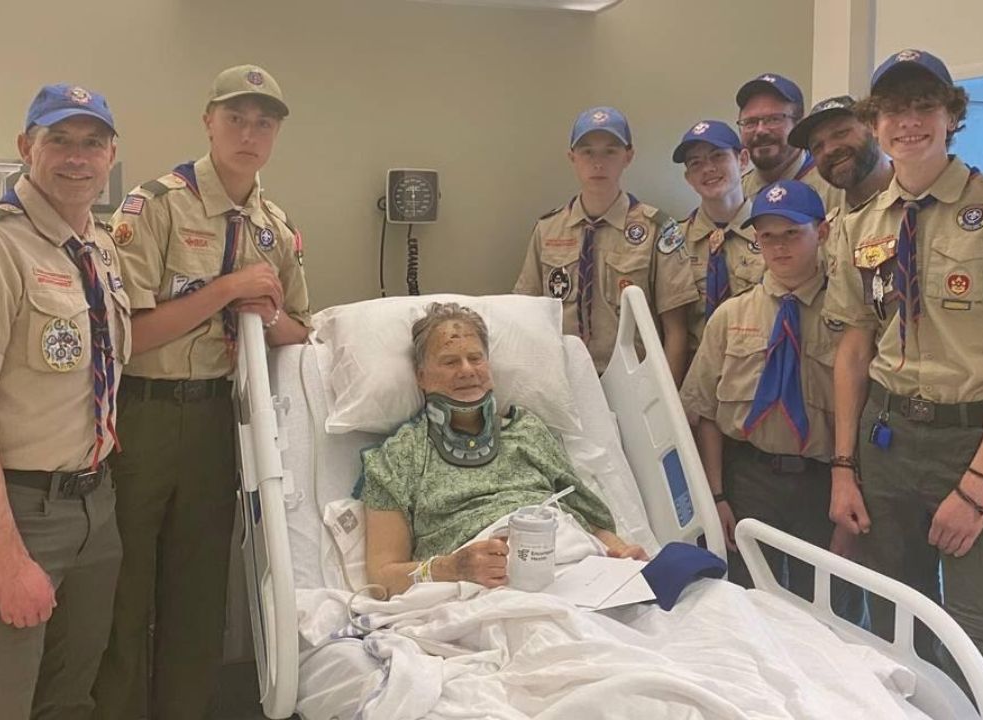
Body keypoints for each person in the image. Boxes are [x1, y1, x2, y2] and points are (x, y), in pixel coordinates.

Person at [823, 49, 983, 720]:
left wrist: (979, 485)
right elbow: (852, 351)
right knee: (893, 635)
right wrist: (844, 468)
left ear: (951, 115)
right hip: (886, 445)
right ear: (875, 123)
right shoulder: (859, 227)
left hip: (977, 446)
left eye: (924, 106)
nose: (909, 123)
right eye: (894, 110)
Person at [92, 64, 309, 720]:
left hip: (220, 418)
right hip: (145, 414)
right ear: (209, 121)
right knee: (125, 595)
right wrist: (226, 290)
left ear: (275, 135)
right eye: (236, 118)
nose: (249, 133)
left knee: (199, 595)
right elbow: (128, 334)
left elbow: (301, 327)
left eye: (263, 122)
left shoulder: (274, 225)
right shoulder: (156, 206)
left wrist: (265, 316)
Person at [0, 84, 129, 719]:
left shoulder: (98, 246)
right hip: (13, 509)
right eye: (58, 140)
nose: (76, 156)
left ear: (111, 153)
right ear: (25, 148)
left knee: (68, 700)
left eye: (91, 143)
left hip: (95, 505)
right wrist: (8, 559)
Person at [361, 302, 646, 597]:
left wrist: (623, 555)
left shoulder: (528, 430)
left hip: (573, 571)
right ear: (420, 376)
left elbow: (593, 526)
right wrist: (452, 568)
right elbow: (382, 580)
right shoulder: (398, 456)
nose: (467, 370)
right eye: (449, 362)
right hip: (481, 591)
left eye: (476, 358)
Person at [681, 180, 856, 601]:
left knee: (828, 611)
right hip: (748, 482)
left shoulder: (851, 318)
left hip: (822, 484)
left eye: (793, 233)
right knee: (749, 605)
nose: (779, 247)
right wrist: (716, 497)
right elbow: (704, 413)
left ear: (824, 232)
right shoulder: (730, 316)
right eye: (767, 236)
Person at [514, 106, 698, 380]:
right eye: (587, 151)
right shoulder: (547, 230)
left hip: (636, 382)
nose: (598, 163)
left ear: (628, 156)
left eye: (610, 151)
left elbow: (676, 330)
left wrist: (664, 402)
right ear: (572, 157)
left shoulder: (657, 229)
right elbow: (527, 316)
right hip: (565, 378)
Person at [670, 120, 761, 361]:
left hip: (757, 375)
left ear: (742, 160)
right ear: (688, 177)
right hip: (695, 377)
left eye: (718, 156)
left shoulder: (774, 234)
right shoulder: (673, 243)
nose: (708, 168)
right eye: (696, 163)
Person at [735, 73, 840, 210]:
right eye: (750, 122)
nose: (761, 130)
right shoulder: (738, 195)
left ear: (798, 125)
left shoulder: (833, 187)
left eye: (774, 119)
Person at [788, 95, 894, 213]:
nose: (829, 150)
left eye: (841, 133)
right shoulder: (822, 218)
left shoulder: (913, 197)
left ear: (872, 127)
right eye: (817, 146)